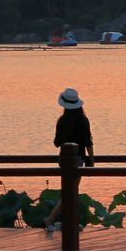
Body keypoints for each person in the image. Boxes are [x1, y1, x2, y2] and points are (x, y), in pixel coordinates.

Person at [45, 87, 94, 234]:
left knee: (70, 191)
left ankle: (70, 222)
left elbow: (56, 142)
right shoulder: (83, 120)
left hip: (63, 160)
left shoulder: (62, 120)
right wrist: (91, 161)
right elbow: (88, 143)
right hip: (78, 160)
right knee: (70, 192)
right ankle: (51, 219)